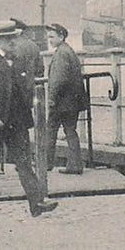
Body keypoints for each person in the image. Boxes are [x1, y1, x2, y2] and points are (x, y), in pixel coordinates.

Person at [0, 20, 56, 217]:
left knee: (24, 163)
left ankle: (36, 203)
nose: (13, 43)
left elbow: (25, 90)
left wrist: (26, 110)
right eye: (9, 39)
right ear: (0, 40)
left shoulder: (19, 61)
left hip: (16, 122)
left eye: (14, 38)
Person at [45, 22, 88, 175]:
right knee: (70, 131)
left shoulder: (61, 53)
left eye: (52, 36)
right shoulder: (67, 51)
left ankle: (46, 163)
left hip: (62, 101)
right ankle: (75, 164)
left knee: (50, 130)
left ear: (61, 37)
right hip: (72, 101)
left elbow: (58, 78)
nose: (49, 40)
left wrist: (51, 98)